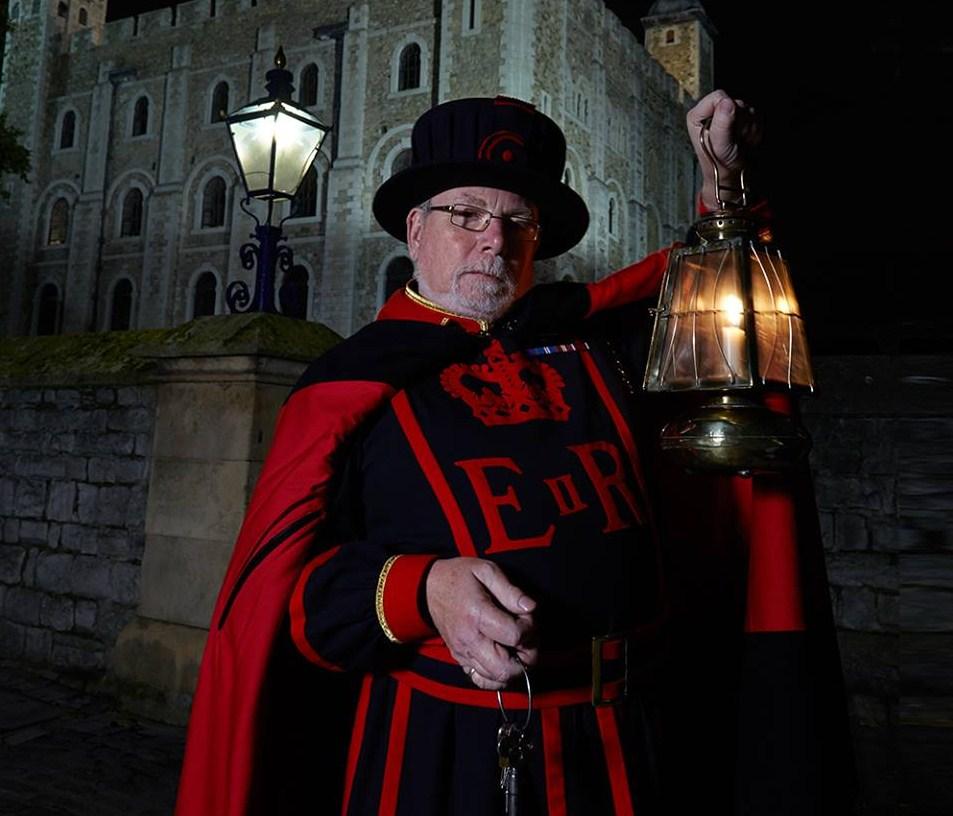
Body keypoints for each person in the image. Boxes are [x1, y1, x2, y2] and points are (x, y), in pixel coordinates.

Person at [175, 90, 844, 816]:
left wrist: (722, 182)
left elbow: (724, 305)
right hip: (442, 758)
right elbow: (297, 608)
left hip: (631, 746)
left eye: (518, 220)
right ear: (414, 229)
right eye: (465, 213)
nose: (493, 239)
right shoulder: (348, 387)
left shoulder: (606, 348)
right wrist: (421, 588)